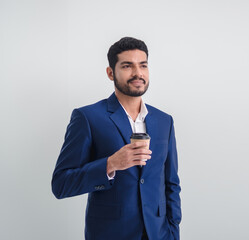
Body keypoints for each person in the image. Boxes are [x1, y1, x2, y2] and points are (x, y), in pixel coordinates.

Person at [51, 37, 182, 240]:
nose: (138, 73)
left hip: (159, 234)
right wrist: (110, 164)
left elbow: (171, 182)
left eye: (143, 65)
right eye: (127, 66)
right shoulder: (88, 117)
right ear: (111, 73)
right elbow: (61, 184)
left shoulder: (165, 121)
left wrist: (173, 231)